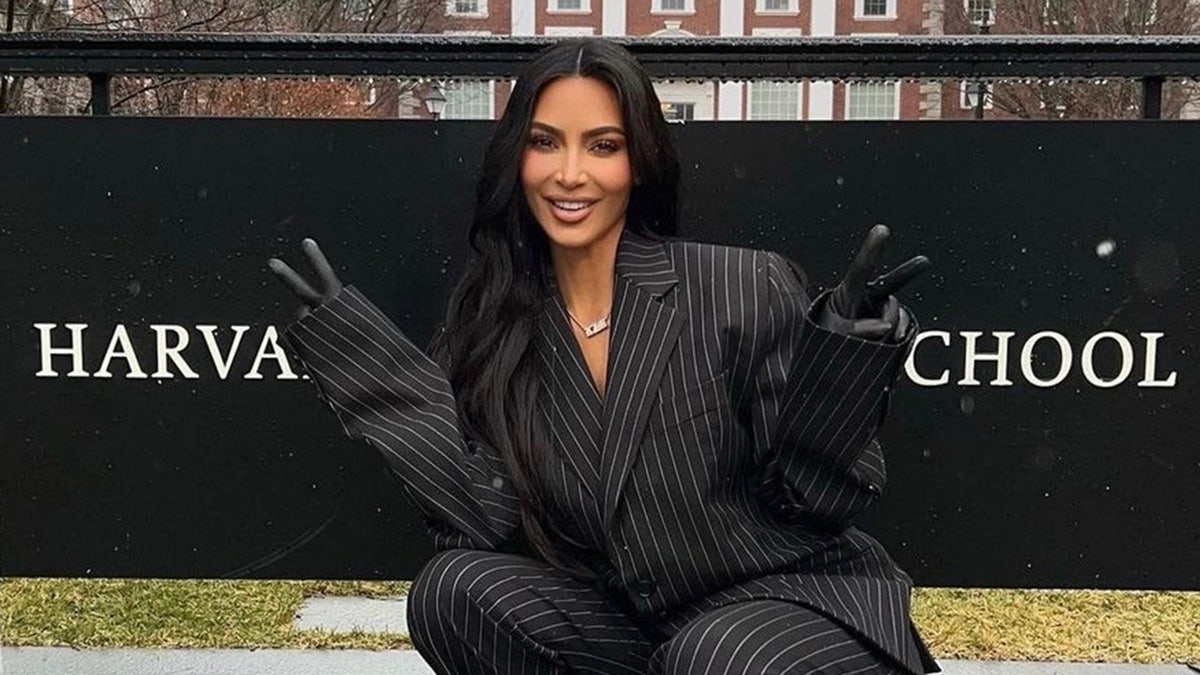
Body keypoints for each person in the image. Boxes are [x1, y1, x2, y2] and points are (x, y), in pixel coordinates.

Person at [269, 38, 938, 675]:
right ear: (517, 158)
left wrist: (841, 362)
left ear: (638, 160)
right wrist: (367, 368)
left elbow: (814, 499)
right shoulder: (497, 325)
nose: (569, 173)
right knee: (452, 591)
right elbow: (485, 516)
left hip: (788, 614)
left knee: (712, 653)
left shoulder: (741, 285)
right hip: (639, 629)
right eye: (544, 142)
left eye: (603, 145)